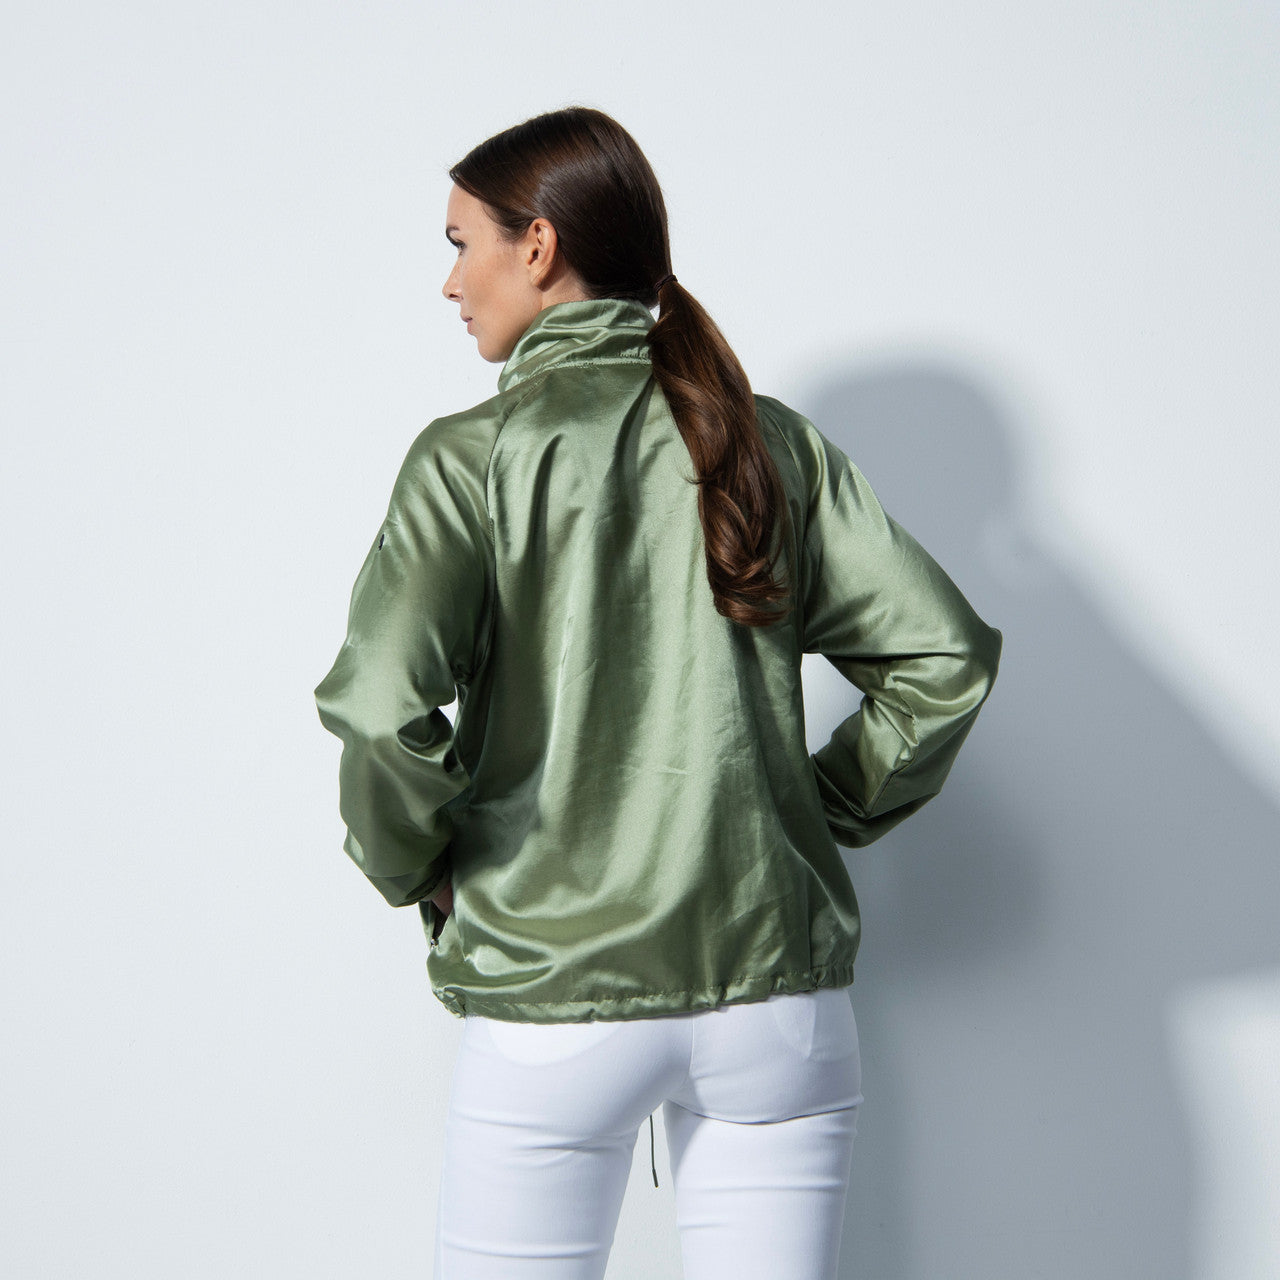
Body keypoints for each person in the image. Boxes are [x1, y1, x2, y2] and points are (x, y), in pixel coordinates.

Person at [313, 105, 1002, 1280]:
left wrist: (419, 868)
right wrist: (807, 812)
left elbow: (382, 707)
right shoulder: (767, 443)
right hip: (774, 1009)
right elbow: (942, 660)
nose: (450, 282)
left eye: (460, 243)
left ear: (537, 246)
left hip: (551, 1001)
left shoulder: (470, 459)